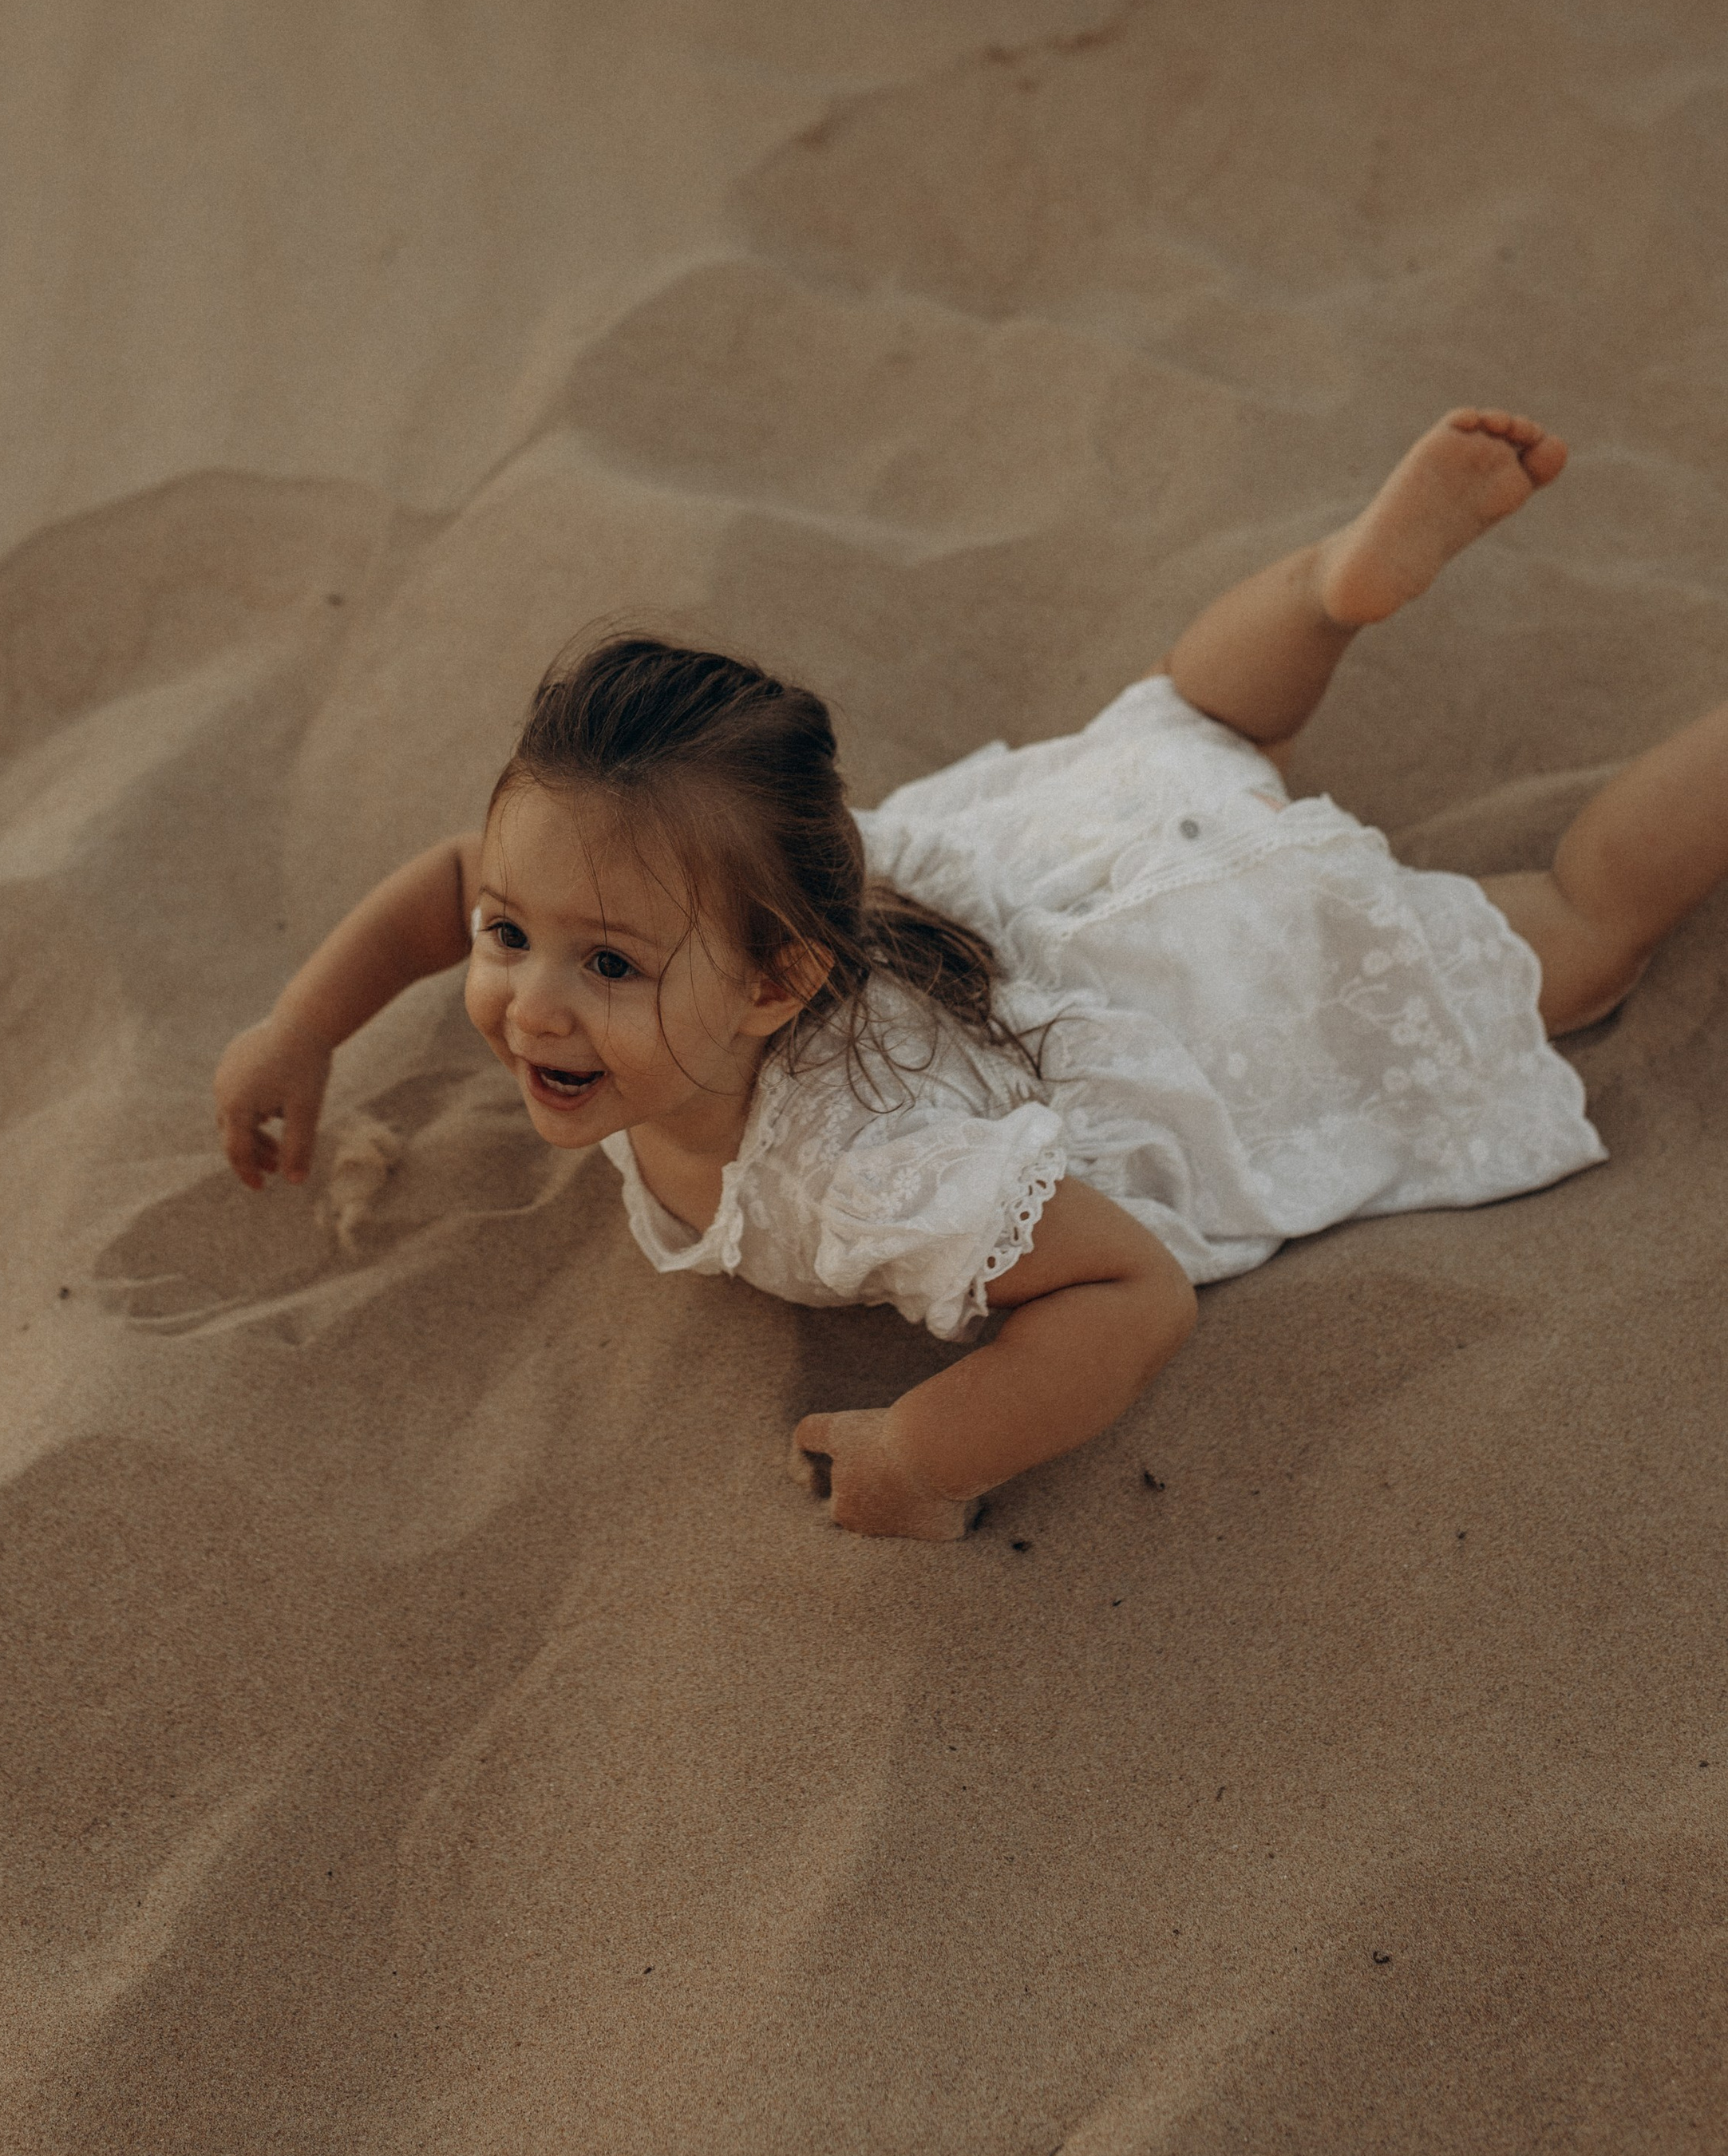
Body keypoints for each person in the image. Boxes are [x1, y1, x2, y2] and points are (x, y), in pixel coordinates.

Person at [215, 410, 1721, 1541]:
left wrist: (934, 1455)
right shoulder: (726, 897)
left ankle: (1375, 604)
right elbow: (442, 885)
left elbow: (1127, 1293)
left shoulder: (875, 1175)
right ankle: (1325, 588)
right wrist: (304, 1026)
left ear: (770, 986)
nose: (529, 1001)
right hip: (1046, 878)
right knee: (1192, 720)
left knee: (1581, 935)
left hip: (1216, 965)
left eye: (605, 964)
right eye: (512, 938)